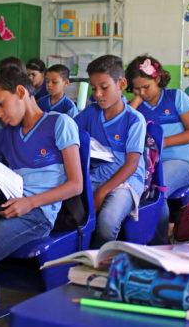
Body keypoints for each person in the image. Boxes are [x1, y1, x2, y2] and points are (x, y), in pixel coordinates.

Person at [0, 66, 82, 323]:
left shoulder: (59, 123)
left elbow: (76, 184)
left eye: (0, 105)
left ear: (21, 92)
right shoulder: (6, 133)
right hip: (3, 205)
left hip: (35, 214)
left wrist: (29, 203)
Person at [126, 55, 189, 245]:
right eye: (137, 88)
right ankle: (140, 239)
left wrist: (163, 142)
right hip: (147, 165)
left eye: (146, 87)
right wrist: (135, 102)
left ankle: (159, 244)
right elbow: (124, 128)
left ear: (157, 80)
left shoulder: (176, 97)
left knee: (156, 189)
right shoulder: (137, 105)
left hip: (181, 162)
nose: (142, 92)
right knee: (130, 190)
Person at [74, 55, 145, 248]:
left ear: (121, 84)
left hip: (125, 181)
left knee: (107, 222)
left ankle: (99, 264)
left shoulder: (134, 119)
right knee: (70, 212)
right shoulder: (91, 113)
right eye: (94, 88)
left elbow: (131, 165)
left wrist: (103, 192)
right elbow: (71, 135)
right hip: (96, 176)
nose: (98, 94)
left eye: (104, 87)